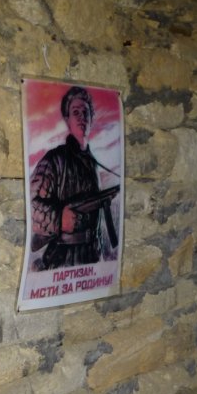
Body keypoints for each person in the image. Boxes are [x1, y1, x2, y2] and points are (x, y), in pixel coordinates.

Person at [29, 86, 119, 270]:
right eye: (75, 112)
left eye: (85, 112)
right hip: (62, 259)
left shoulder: (92, 163)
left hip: (93, 256)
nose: (81, 117)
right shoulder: (54, 160)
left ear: (92, 118)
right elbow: (31, 204)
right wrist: (59, 219)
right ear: (67, 119)